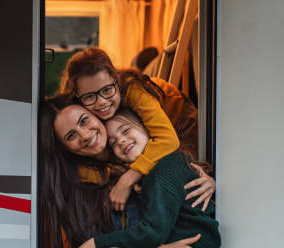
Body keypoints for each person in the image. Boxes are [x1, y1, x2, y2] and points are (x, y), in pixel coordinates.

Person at [40, 95, 215, 248]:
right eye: (70, 136)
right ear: (64, 147)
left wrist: (208, 181)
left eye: (85, 120)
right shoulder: (73, 184)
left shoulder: (137, 165)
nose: (85, 134)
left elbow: (177, 177)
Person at [59, 47, 206, 212]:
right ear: (77, 97)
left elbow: (168, 140)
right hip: (137, 142)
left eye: (107, 90)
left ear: (116, 80)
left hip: (177, 123)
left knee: (182, 169)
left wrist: (129, 178)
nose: (101, 102)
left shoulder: (132, 89)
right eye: (89, 96)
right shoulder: (78, 117)